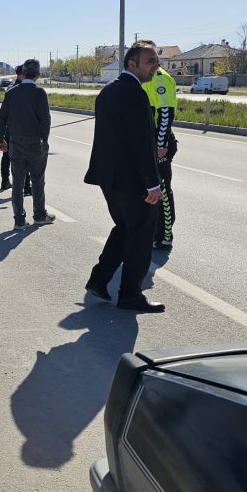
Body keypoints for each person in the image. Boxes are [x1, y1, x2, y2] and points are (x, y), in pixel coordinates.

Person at [83, 42, 164, 313]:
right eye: (150, 61)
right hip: (133, 181)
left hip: (109, 179)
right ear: (132, 63)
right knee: (141, 235)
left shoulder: (107, 92)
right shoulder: (134, 94)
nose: (156, 66)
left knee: (125, 228)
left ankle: (99, 279)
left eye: (157, 61)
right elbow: (142, 144)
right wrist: (153, 184)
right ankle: (130, 295)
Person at [0, 59, 54, 230]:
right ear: (37, 74)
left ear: (23, 73)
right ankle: (39, 215)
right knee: (37, 181)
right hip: (36, 144)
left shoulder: (11, 92)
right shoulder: (39, 93)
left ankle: (19, 220)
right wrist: (45, 139)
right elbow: (46, 119)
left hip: (16, 144)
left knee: (18, 183)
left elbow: (1, 119)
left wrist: (1, 140)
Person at [141, 62, 178, 249]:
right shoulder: (146, 77)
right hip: (149, 140)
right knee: (150, 188)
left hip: (159, 143)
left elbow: (166, 113)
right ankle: (155, 231)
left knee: (162, 189)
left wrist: (160, 144)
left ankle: (165, 235)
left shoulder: (159, 77)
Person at [0, 65, 33, 194]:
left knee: (6, 155)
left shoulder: (9, 88)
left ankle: (5, 180)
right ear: (23, 74)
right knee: (25, 157)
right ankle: (26, 186)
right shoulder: (25, 89)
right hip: (23, 128)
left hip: (10, 126)